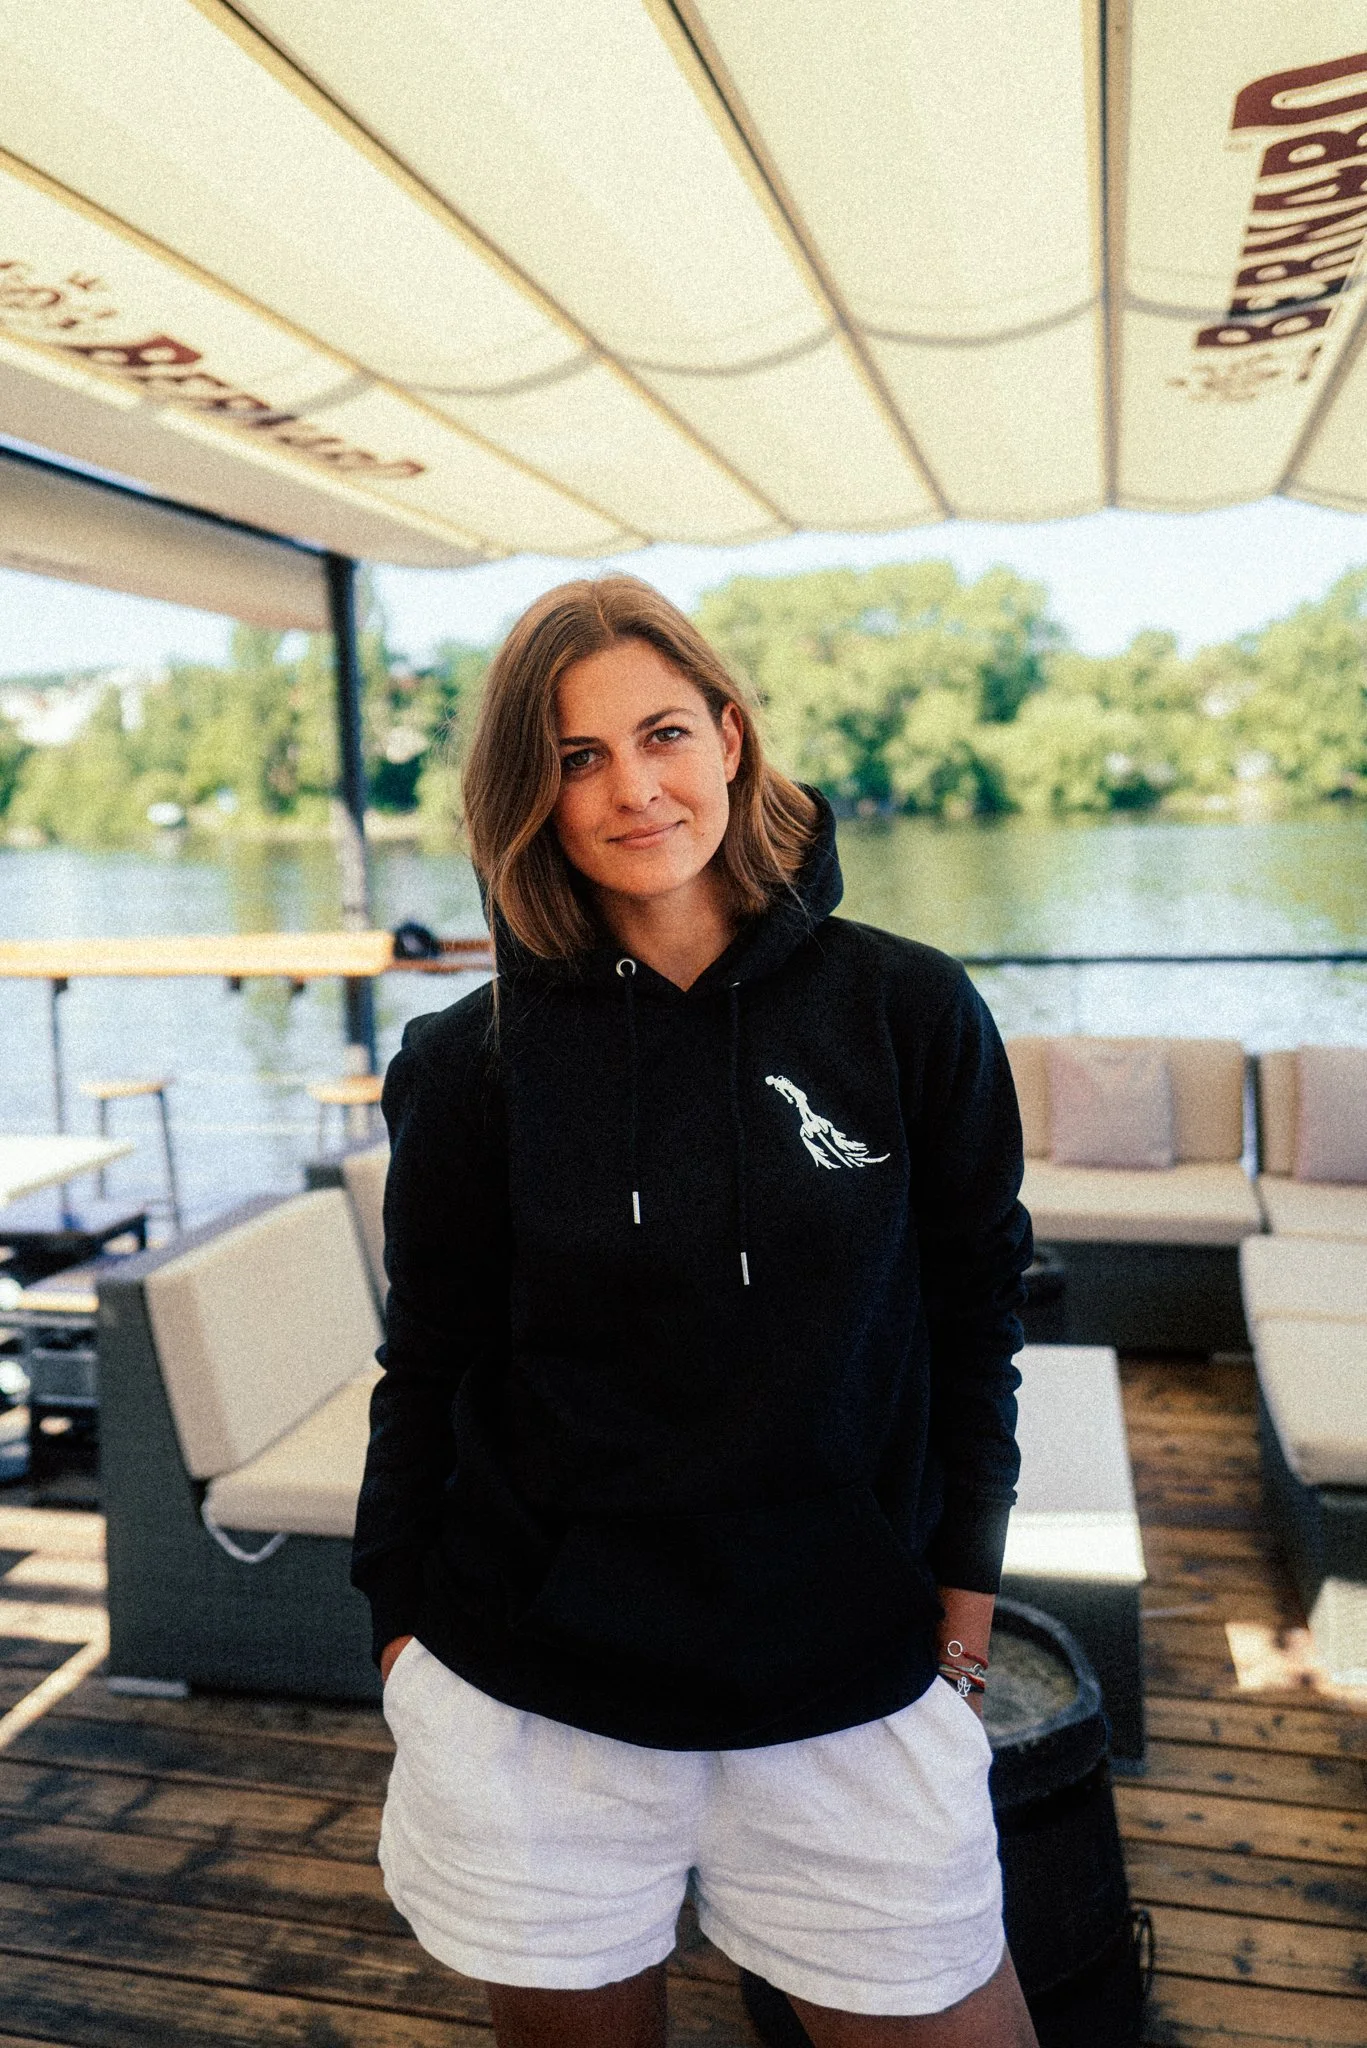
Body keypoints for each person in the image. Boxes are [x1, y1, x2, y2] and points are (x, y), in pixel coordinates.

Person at [352, 576, 1038, 2048]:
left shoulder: (905, 1011)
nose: (630, 788)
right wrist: (397, 1624)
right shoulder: (467, 1064)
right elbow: (429, 1361)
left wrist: (963, 1601)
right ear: (524, 798)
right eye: (574, 758)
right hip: (533, 1703)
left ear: (730, 735)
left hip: (848, 1680)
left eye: (660, 733)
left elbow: (976, 1309)